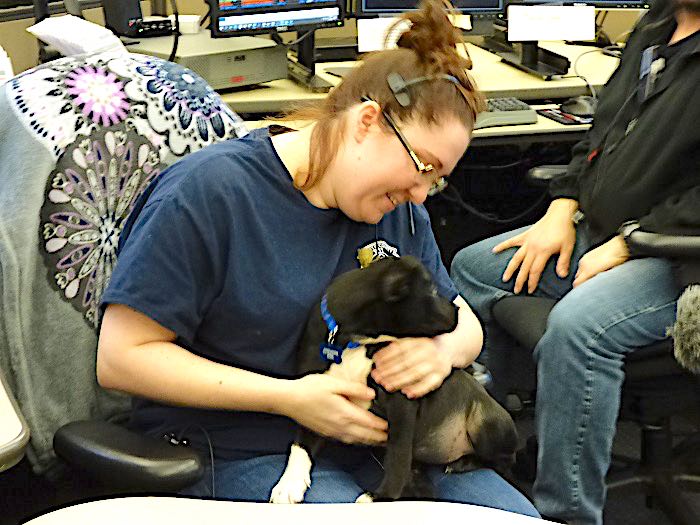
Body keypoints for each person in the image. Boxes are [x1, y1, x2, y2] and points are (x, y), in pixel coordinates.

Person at [95, 0, 538, 515]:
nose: (422, 194)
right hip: (239, 442)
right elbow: (122, 359)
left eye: (436, 180)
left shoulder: (393, 208)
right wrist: (288, 398)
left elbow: (464, 323)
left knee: (514, 517)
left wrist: (443, 352)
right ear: (367, 122)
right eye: (422, 166)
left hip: (376, 439)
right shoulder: (209, 196)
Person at [450, 0, 700, 523]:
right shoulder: (658, 24)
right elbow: (601, 131)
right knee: (474, 268)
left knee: (578, 328)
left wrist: (632, 242)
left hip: (680, 257)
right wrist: (562, 206)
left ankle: (565, 513)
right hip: (604, 228)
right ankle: (488, 451)